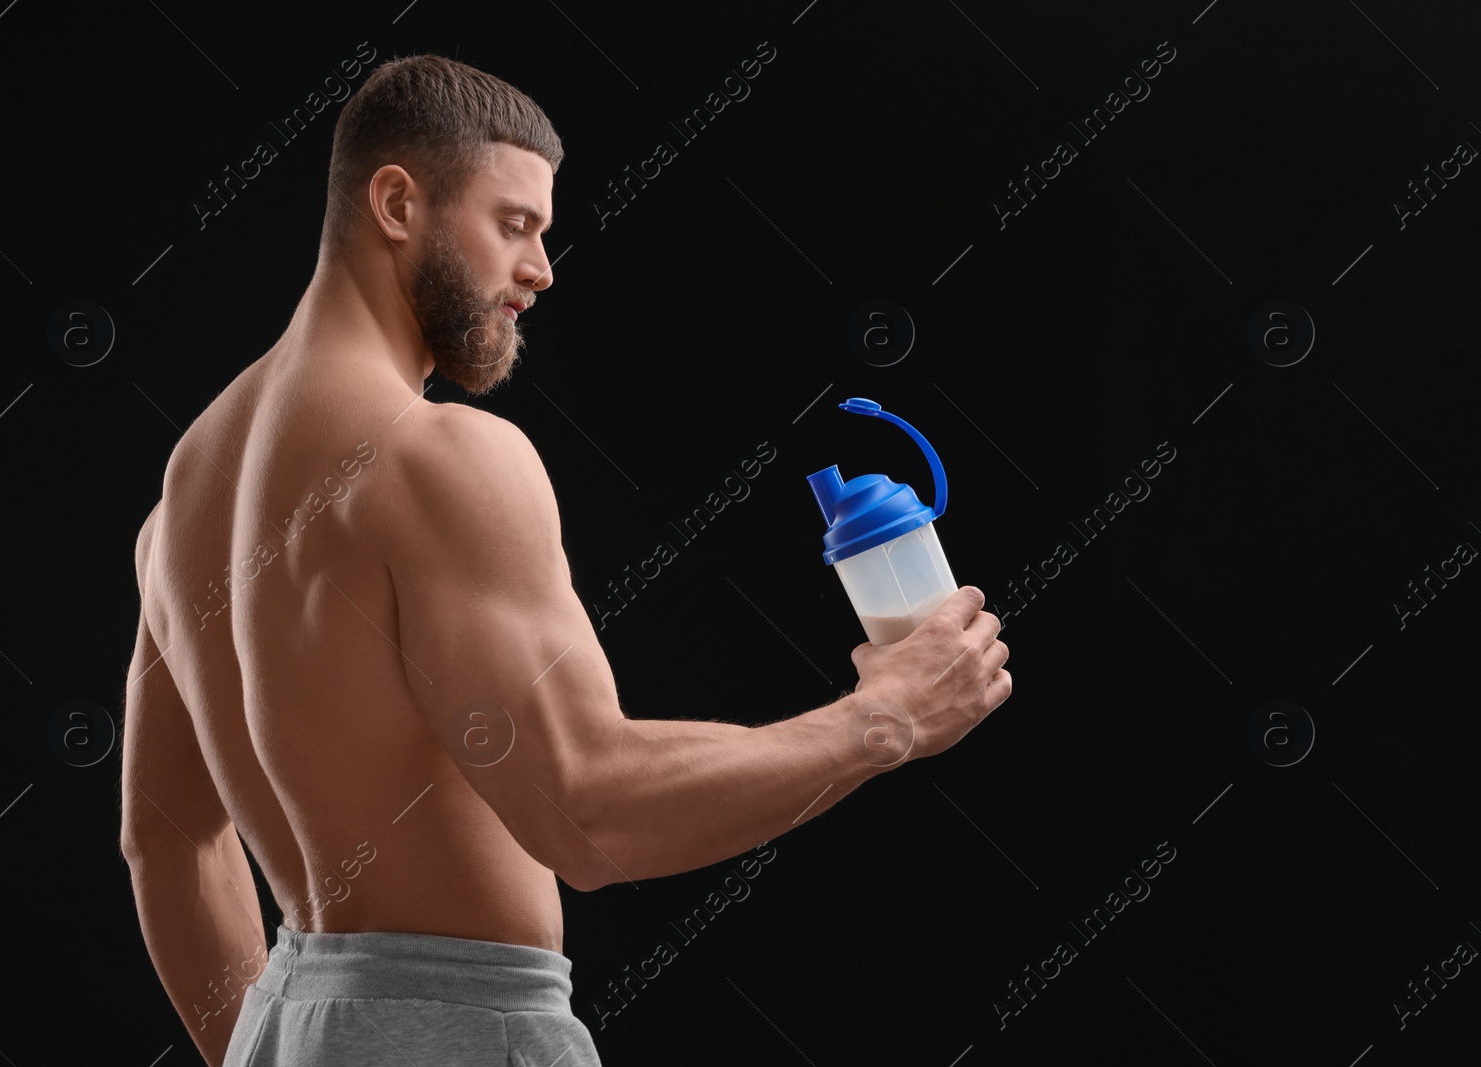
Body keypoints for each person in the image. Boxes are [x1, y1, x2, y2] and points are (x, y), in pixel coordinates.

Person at [119, 52, 1011, 1067]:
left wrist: (275, 1045)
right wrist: (878, 719)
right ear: (397, 201)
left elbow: (166, 841)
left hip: (291, 1017)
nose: (540, 269)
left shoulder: (189, 484)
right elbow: (586, 810)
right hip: (460, 1028)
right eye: (514, 226)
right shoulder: (439, 456)